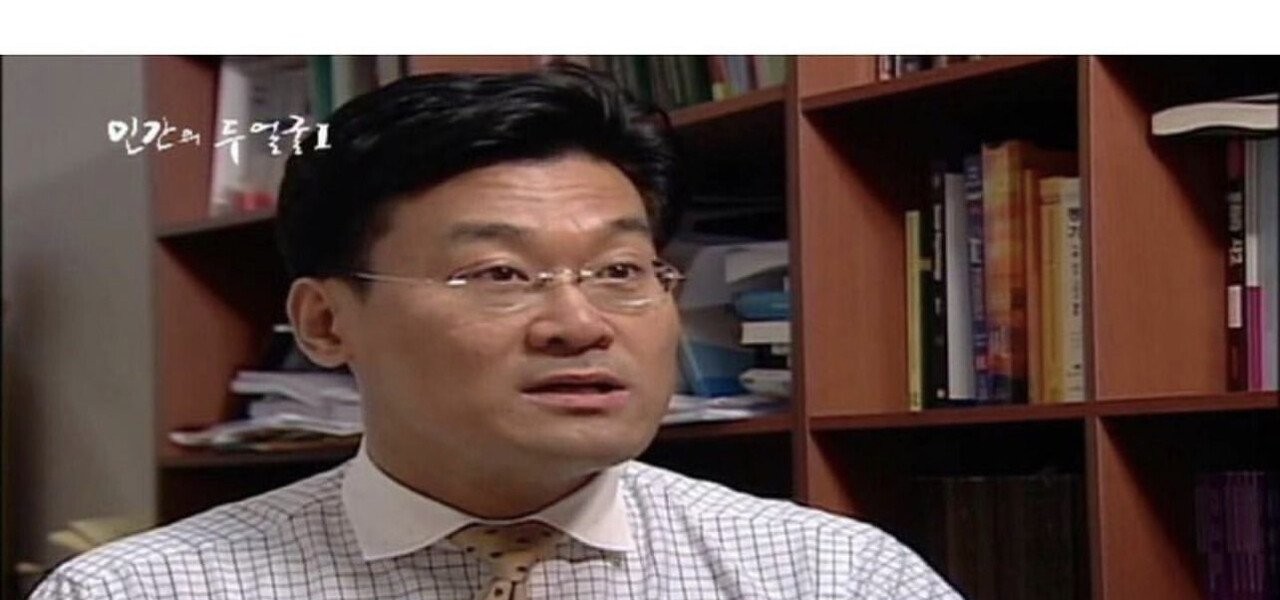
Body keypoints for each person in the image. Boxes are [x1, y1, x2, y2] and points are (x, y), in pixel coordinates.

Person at [30, 64, 961, 599]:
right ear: (324, 321)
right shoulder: (142, 592)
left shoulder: (831, 576)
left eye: (620, 271)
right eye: (499, 276)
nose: (579, 324)